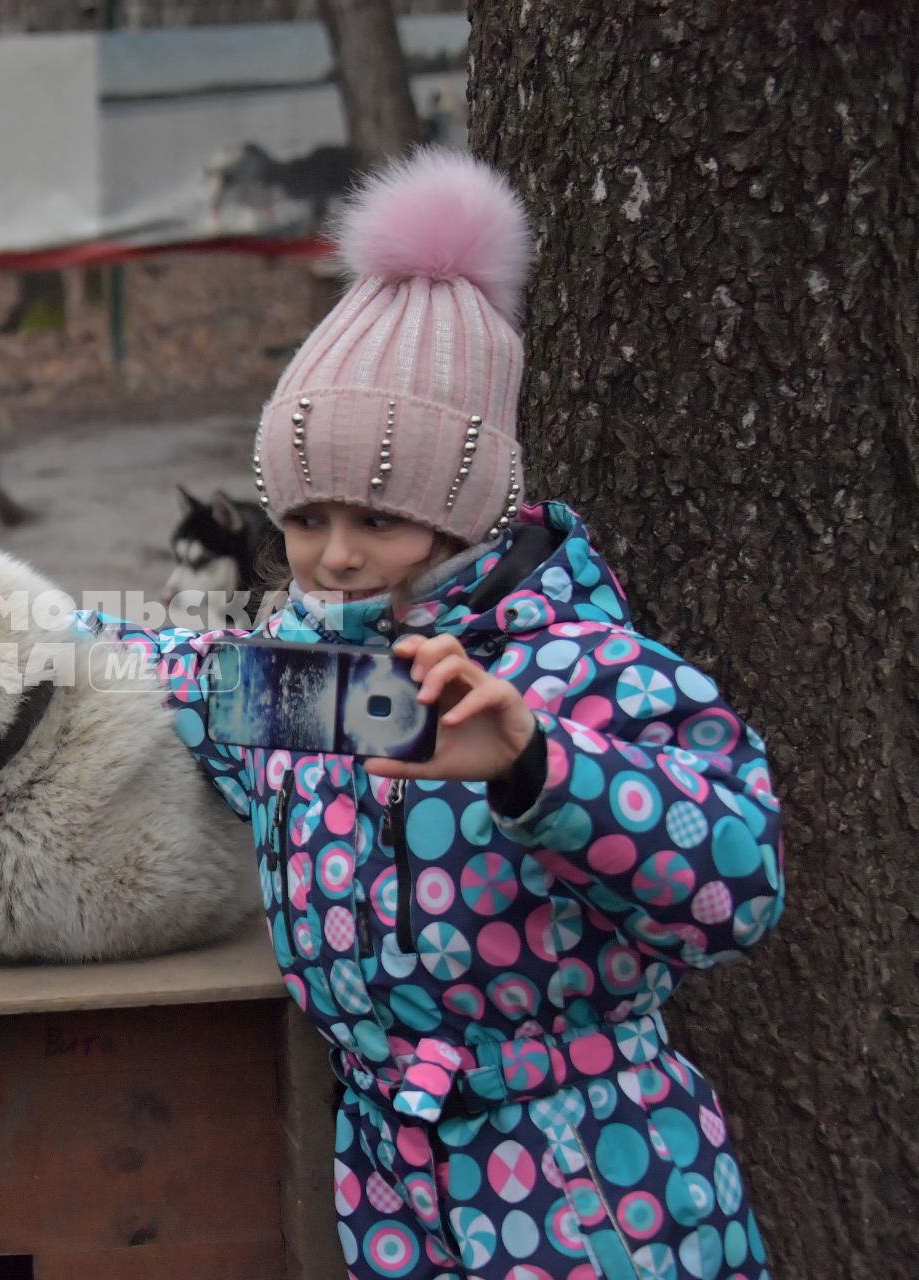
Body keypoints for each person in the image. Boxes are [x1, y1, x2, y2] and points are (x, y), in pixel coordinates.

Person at [97, 151, 782, 1279]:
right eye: (306, 515)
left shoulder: (585, 669)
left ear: (465, 507)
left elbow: (739, 878)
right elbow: (156, 669)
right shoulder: (302, 684)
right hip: (388, 1173)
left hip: (598, 1182)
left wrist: (536, 767)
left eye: (380, 514)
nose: (335, 553)